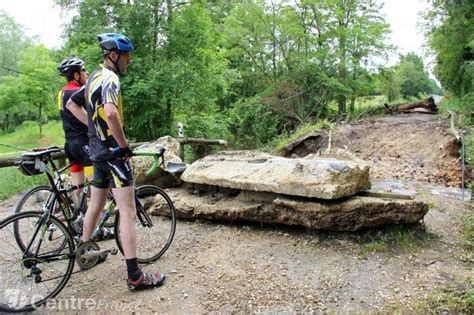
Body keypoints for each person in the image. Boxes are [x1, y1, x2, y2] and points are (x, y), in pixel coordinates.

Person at [70, 33, 165, 290]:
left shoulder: (92, 78)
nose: (129, 61)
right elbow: (111, 113)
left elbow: (71, 104)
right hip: (113, 154)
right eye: (127, 56)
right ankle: (135, 275)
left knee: (95, 205)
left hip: (97, 154)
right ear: (114, 55)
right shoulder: (110, 79)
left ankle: (85, 252)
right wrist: (123, 145)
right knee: (128, 212)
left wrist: (94, 130)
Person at [57, 57, 92, 200]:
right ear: (76, 75)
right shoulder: (80, 92)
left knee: (77, 186)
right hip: (84, 143)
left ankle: (78, 216)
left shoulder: (62, 93)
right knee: (96, 184)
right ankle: (93, 218)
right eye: (83, 70)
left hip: (70, 145)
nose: (87, 72)